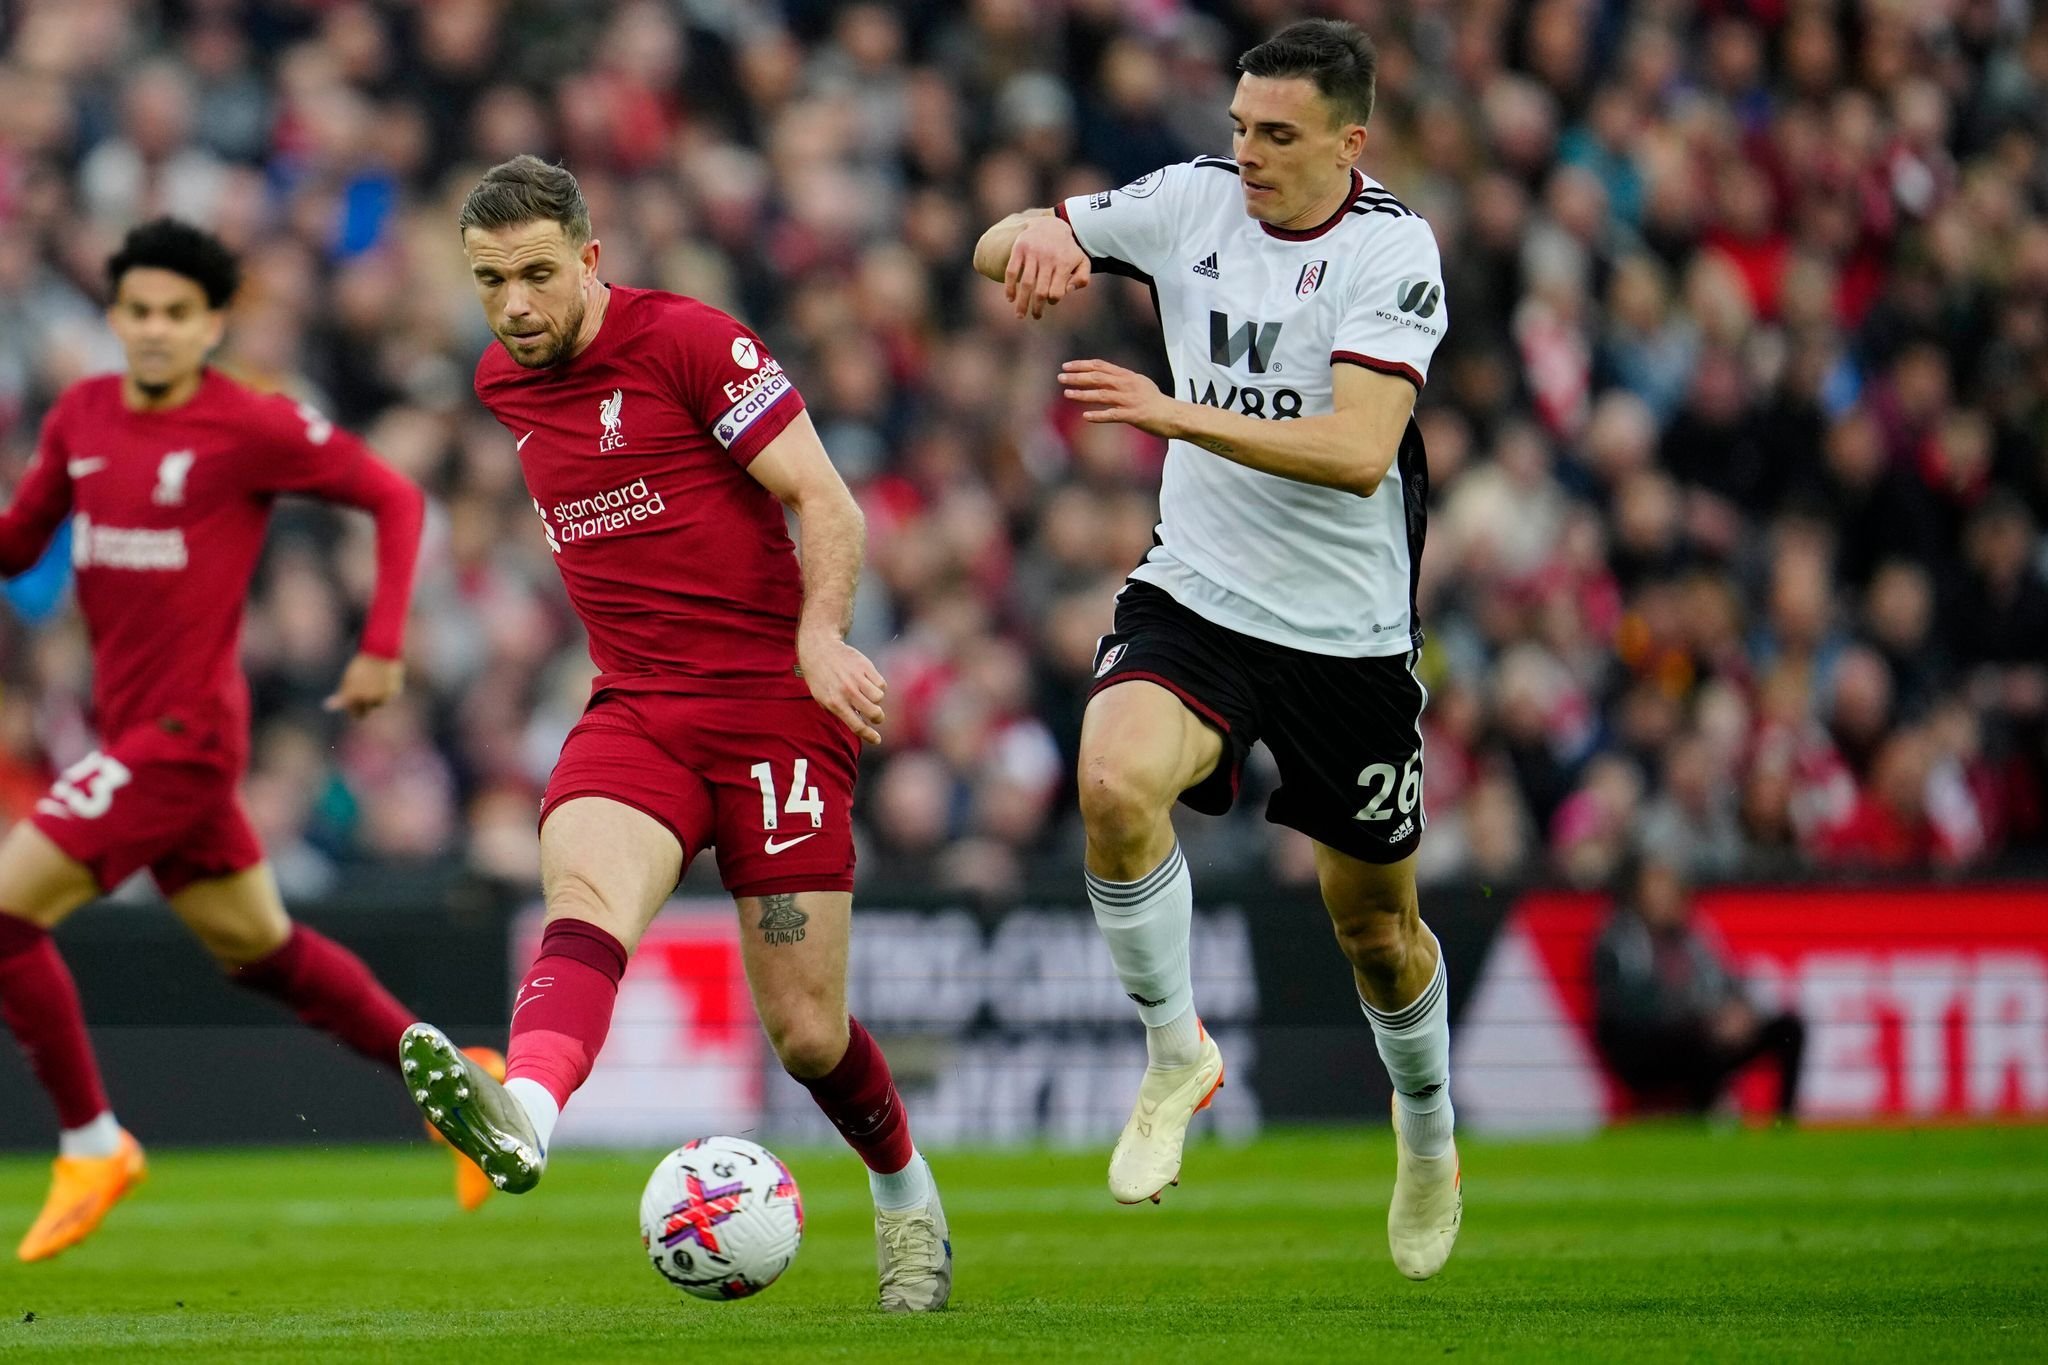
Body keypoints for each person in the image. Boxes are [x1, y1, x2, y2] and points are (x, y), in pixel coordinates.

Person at [401, 156, 950, 1314]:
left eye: (538, 275)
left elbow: (827, 501)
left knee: (806, 1036)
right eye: (491, 281)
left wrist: (818, 636)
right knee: (582, 906)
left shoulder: (693, 343)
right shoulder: (500, 379)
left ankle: (904, 1198)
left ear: (591, 261)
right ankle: (526, 1115)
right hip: (639, 709)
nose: (515, 306)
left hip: (774, 716)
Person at [973, 19, 1460, 1279]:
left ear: (1349, 142)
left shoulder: (1390, 251)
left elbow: (1358, 453)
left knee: (1374, 931)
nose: (1245, 152)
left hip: (1344, 642)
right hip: (1194, 594)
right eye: (1239, 125)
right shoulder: (1189, 202)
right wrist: (1024, 231)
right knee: (1108, 783)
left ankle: (1422, 1126)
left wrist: (1165, 413)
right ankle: (1175, 1049)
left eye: (1277, 135)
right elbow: (1023, 239)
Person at [0, 219, 499, 1264]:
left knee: (5, 916)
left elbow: (394, 497)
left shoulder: (249, 424)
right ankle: (460, 1081)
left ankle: (94, 1144)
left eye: (176, 314)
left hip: (184, 738)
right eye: (136, 310)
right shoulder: (82, 415)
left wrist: (378, 645)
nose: (152, 330)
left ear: (212, 324)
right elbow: (17, 545)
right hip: (135, 733)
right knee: (261, 954)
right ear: (113, 315)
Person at [1592, 847, 1806, 1117]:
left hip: (1706, 1032)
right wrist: (1706, 1019)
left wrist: (1741, 1012)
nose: (1665, 900)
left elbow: (1728, 981)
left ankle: (1783, 1123)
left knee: (1788, 1028)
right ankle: (1706, 1116)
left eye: (1670, 890)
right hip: (1646, 1045)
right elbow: (1628, 1006)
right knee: (1697, 1041)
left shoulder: (1694, 936)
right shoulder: (1622, 938)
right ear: (1639, 896)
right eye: (1656, 890)